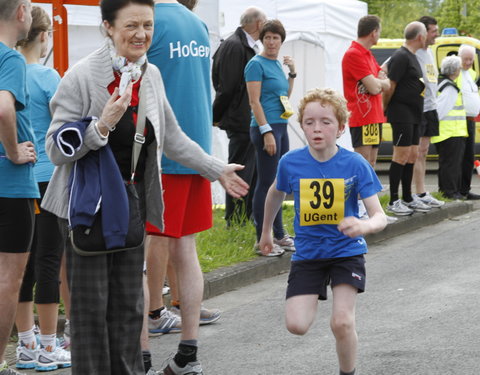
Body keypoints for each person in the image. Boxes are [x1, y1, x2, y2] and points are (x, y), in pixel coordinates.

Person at [40, 1, 248, 374]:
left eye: (148, 25)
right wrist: (101, 126)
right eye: (131, 25)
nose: (141, 34)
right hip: (84, 209)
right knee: (91, 317)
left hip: (129, 203)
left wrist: (216, 168)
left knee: (128, 311)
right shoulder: (81, 76)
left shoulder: (149, 75)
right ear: (107, 26)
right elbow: (55, 149)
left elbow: (174, 138)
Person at [259, 88, 387, 375]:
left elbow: (380, 217)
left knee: (342, 322)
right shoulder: (290, 162)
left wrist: (363, 225)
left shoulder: (355, 164)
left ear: (341, 128)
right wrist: (266, 231)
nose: (317, 129)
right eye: (309, 122)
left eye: (326, 122)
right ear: (301, 125)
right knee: (297, 325)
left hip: (346, 252)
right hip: (309, 255)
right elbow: (274, 194)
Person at [143, 0, 225, 373]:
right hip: (197, 147)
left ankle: (154, 312)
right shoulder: (196, 22)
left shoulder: (150, 19)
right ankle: (188, 350)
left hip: (166, 149)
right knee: (185, 244)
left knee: (155, 237)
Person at [14, 6, 71, 372]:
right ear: (44, 36)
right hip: (50, 178)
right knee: (50, 259)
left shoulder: (11, 72)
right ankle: (50, 343)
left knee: (24, 264)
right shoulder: (49, 77)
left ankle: (27, 343)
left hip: (21, 180)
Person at [0, 0, 37, 374]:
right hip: (10, 184)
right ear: (21, 12)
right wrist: (12, 152)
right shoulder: (10, 59)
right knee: (9, 280)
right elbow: (3, 109)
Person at [245, 19, 296, 256]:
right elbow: (254, 101)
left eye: (276, 38)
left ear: (281, 40)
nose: (272, 42)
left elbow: (283, 95)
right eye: (268, 37)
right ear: (262, 39)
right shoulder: (256, 64)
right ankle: (261, 239)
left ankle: (278, 233)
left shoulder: (276, 64)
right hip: (266, 127)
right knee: (266, 184)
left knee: (279, 183)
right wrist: (266, 131)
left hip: (281, 125)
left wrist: (292, 74)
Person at [212, 6, 266, 226]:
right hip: (240, 119)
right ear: (259, 24)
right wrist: (216, 115)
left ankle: (246, 217)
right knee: (240, 169)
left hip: (247, 118)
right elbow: (227, 86)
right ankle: (235, 220)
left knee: (250, 170)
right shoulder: (235, 46)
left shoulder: (245, 45)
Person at [383, 21, 431, 216]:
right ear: (420, 36)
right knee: (400, 155)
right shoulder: (401, 56)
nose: (427, 37)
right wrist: (385, 107)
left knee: (412, 154)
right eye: (426, 34)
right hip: (401, 114)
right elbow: (391, 85)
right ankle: (394, 200)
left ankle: (408, 197)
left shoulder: (412, 56)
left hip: (414, 114)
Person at [342, 14, 389, 168]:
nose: (379, 36)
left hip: (374, 116)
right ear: (374, 32)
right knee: (362, 164)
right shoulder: (354, 54)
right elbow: (375, 88)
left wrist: (378, 82)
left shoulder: (368, 54)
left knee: (371, 163)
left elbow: (385, 82)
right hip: (362, 117)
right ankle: (359, 193)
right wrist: (378, 82)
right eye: (379, 32)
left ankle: (368, 193)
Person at [412, 16, 445, 208]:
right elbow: (385, 68)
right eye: (434, 31)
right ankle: (415, 194)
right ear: (423, 33)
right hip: (418, 109)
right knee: (415, 153)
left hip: (431, 108)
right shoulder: (412, 51)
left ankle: (422, 192)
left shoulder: (430, 51)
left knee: (423, 152)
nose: (437, 34)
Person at [431, 56, 468, 199]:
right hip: (450, 132)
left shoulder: (442, 83)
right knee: (451, 165)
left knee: (447, 164)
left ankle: (447, 191)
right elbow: (440, 111)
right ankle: (450, 192)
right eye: (458, 68)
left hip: (447, 132)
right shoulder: (450, 88)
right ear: (455, 70)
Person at [456, 44, 480, 200]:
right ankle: (456, 190)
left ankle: (465, 189)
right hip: (459, 120)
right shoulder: (456, 73)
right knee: (458, 158)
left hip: (470, 120)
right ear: (459, 58)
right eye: (466, 59)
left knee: (469, 157)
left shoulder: (471, 74)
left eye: (471, 59)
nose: (468, 62)